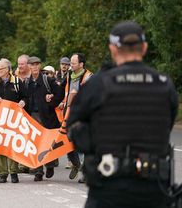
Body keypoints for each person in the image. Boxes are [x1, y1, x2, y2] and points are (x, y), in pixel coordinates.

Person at [67, 21, 178, 208]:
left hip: (108, 188)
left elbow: (75, 130)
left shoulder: (98, 84)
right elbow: (166, 126)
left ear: (113, 49)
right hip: (153, 189)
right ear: (144, 48)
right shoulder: (164, 85)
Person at [0, 58, 28, 183]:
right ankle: (3, 173)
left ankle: (14, 172)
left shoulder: (17, 82)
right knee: (0, 145)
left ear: (8, 69)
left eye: (0, 68)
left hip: (13, 119)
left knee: (12, 145)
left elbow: (26, 97)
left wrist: (23, 102)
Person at [24, 56, 64, 181]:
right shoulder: (26, 83)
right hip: (32, 116)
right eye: (32, 65)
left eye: (37, 64)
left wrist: (51, 102)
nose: (35, 67)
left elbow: (60, 94)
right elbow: (23, 97)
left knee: (47, 143)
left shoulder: (48, 80)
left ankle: (50, 164)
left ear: (40, 66)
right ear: (28, 66)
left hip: (47, 117)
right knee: (35, 144)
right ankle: (38, 171)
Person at [55, 53, 93, 181]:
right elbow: (62, 92)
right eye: (70, 63)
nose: (70, 65)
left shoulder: (88, 77)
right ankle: (76, 164)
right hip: (69, 114)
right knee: (67, 142)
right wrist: (55, 100)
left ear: (81, 64)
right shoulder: (69, 76)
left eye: (73, 63)